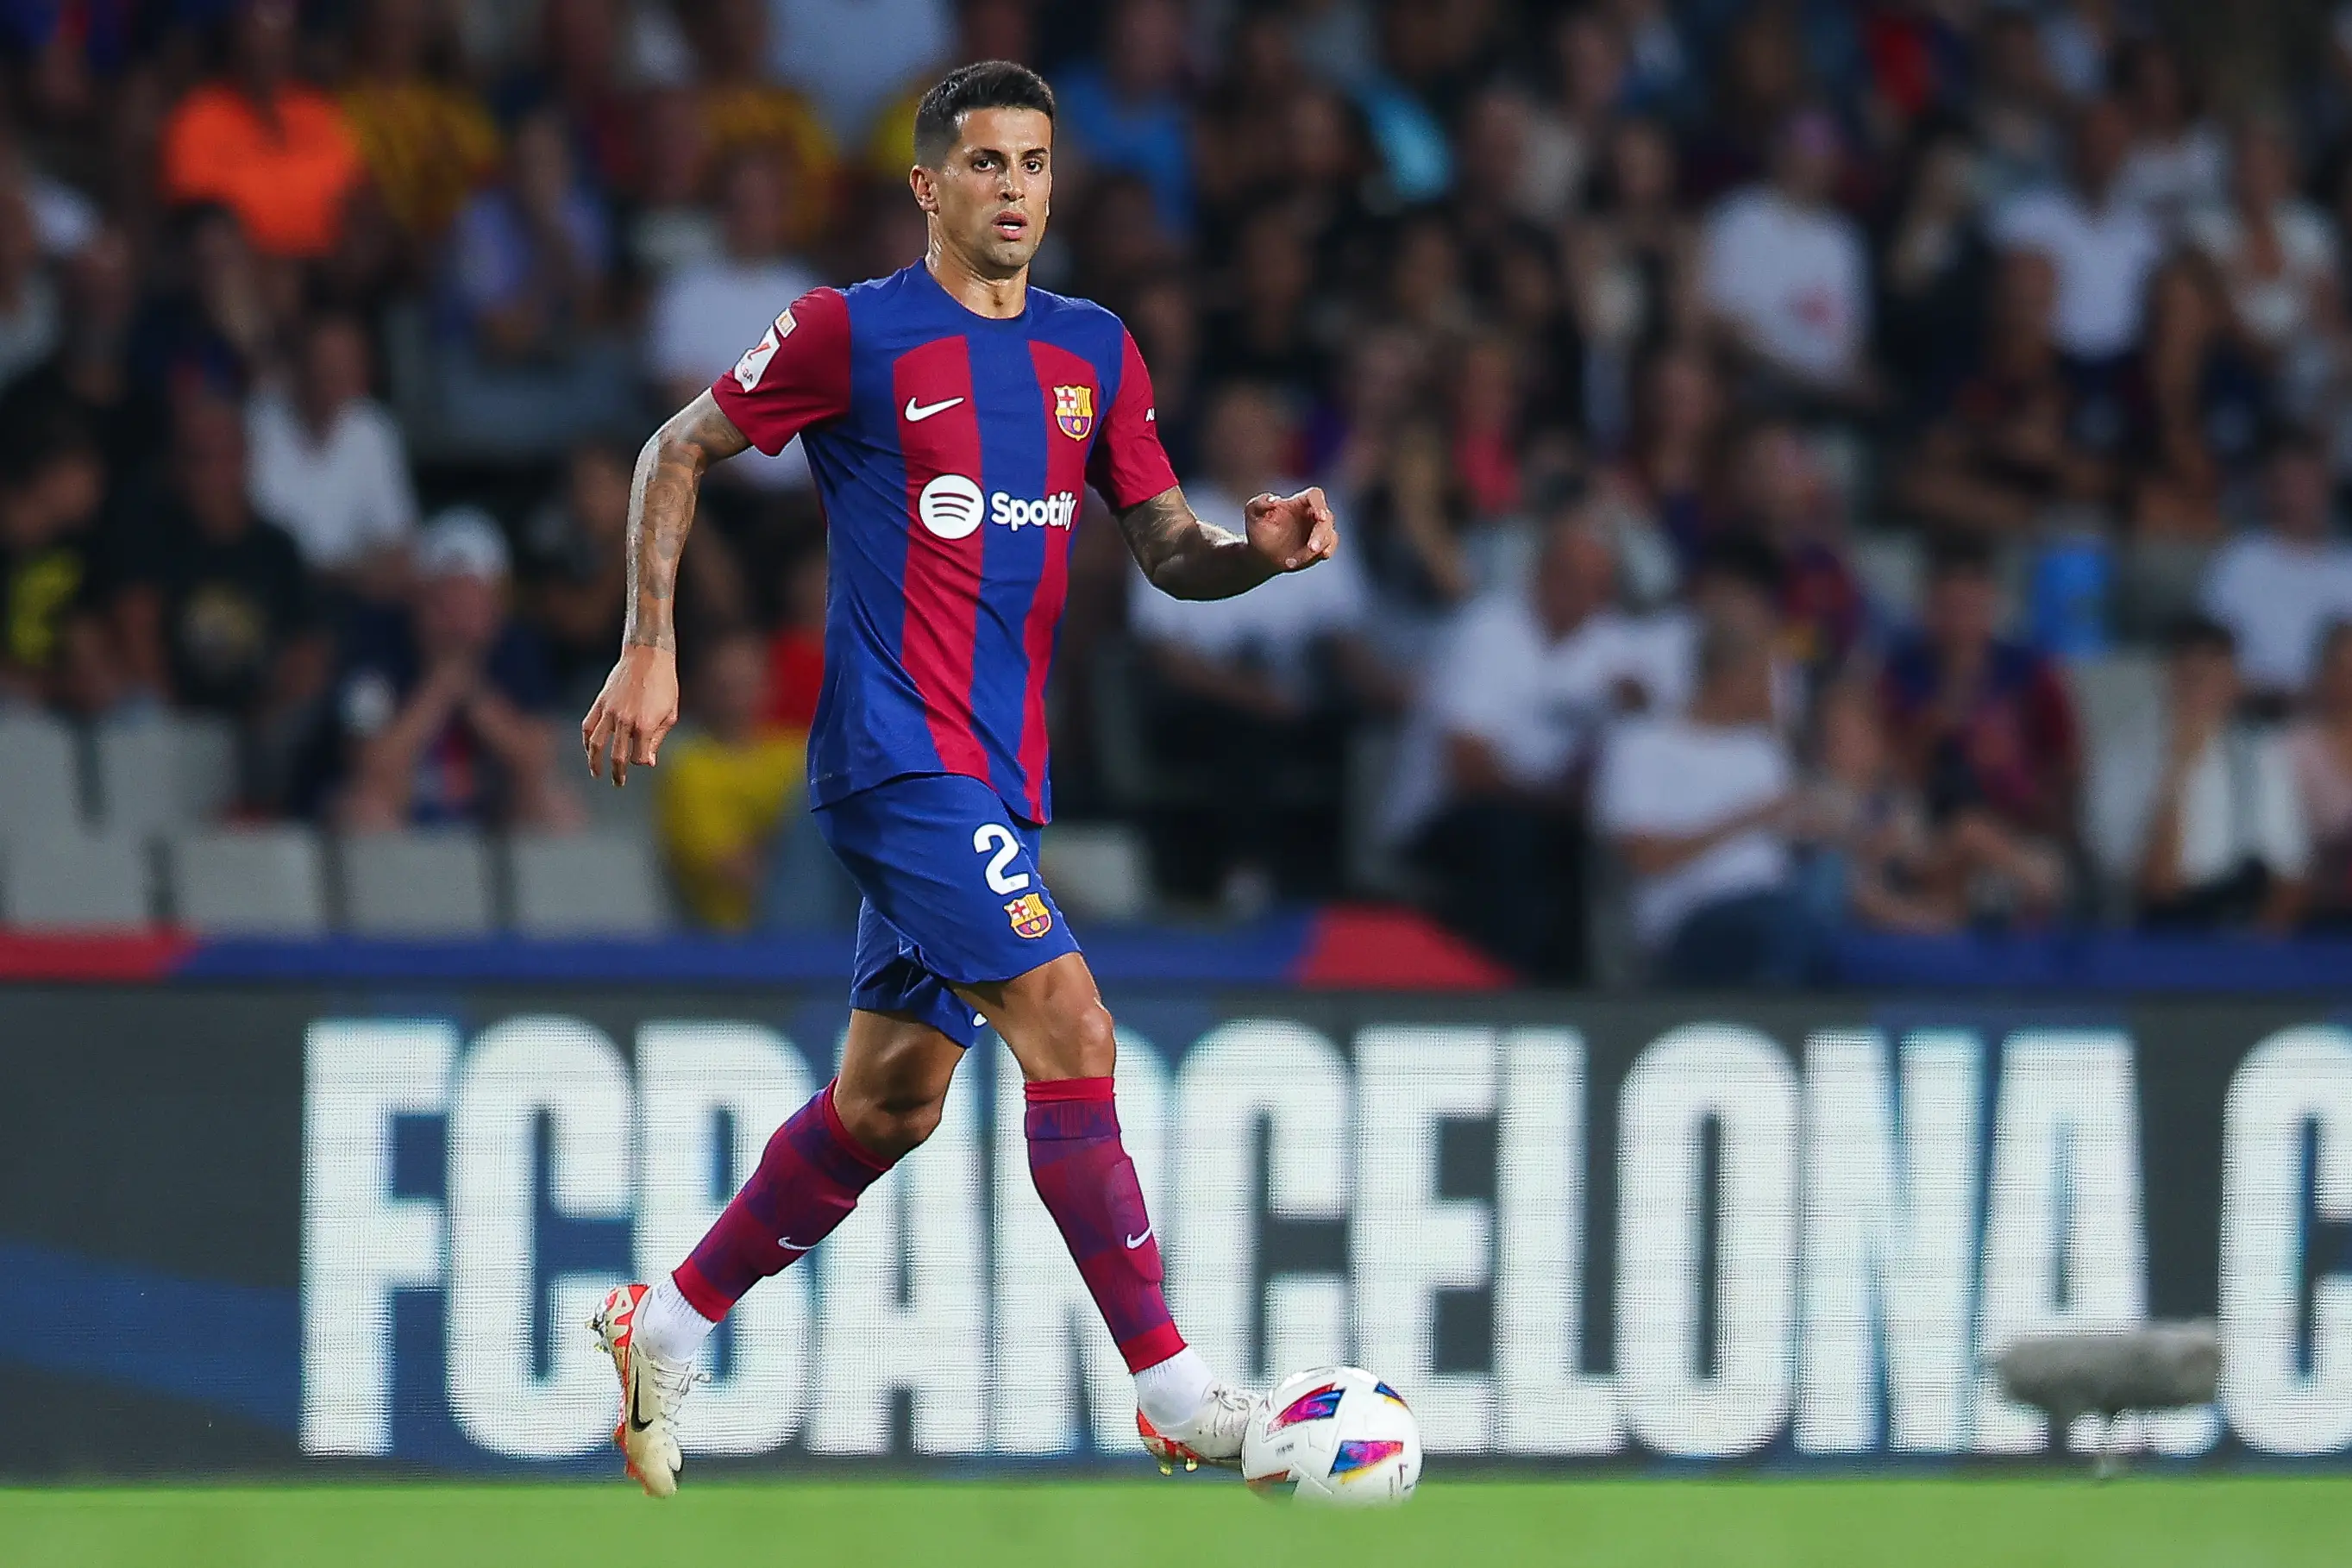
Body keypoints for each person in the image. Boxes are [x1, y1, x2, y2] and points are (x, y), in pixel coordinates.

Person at [577, 61, 1339, 1496]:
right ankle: (1173, 1391)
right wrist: (649, 646)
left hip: (1001, 776)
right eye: (984, 164)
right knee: (1073, 1019)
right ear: (926, 185)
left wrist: (1258, 552)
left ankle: (661, 1319)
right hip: (893, 755)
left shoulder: (1095, 352)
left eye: (1035, 164)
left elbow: (1169, 550)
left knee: (890, 1104)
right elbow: (674, 450)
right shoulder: (847, 334)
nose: (1013, 190)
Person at [1592, 618, 1821, 987]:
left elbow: (1799, 833)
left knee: (1825, 922)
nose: (1775, 693)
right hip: (1687, 919)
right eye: (1765, 679)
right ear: (1730, 678)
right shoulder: (1642, 745)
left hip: (1776, 903)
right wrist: (1744, 819)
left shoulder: (1761, 751)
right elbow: (1644, 858)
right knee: (1785, 931)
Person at [330, 508, 574, 830]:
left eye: (471, 605)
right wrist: (437, 691)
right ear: (420, 601)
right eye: (444, 603)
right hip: (404, 806)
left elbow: (537, 759)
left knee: (554, 806)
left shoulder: (516, 648)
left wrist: (475, 698)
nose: (457, 621)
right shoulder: (377, 646)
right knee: (366, 809)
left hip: (488, 809)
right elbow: (371, 765)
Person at [2089, 617, 2307, 931]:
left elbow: (2289, 874)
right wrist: (2179, 771)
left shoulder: (2260, 755)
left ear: (2233, 680)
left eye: (2212, 678)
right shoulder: (2125, 758)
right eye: (2191, 679)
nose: (2202, 692)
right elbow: (2153, 884)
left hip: (2241, 936)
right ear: (2169, 676)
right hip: (2154, 933)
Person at [246, 310, 419, 592]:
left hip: (350, 597)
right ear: (299, 364)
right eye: (322, 363)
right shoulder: (255, 422)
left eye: (343, 365)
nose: (331, 376)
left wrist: (339, 576)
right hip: (269, 591)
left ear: (362, 371)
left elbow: (398, 549)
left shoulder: (375, 430)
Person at [655, 628, 806, 931]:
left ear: (769, 685)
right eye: (725, 687)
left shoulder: (798, 752)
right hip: (740, 934)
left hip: (827, 919)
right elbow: (734, 870)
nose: (737, 698)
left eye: (747, 683)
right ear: (698, 690)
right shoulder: (689, 767)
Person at [2198, 433, 2352, 703]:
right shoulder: (2239, 561)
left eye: (2307, 482)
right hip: (2251, 710)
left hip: (2336, 713)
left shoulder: (2346, 566)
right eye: (2289, 483)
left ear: (2326, 486)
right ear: (2271, 489)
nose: (2299, 495)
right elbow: (2207, 653)